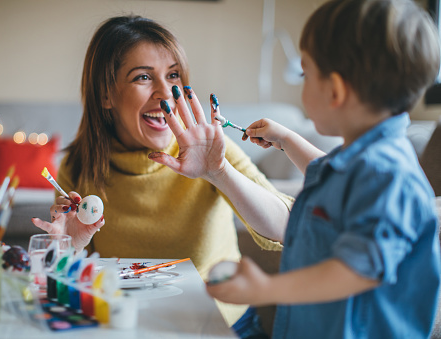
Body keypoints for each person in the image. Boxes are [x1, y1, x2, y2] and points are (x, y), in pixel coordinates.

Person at [149, 0, 441, 338]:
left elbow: (354, 272)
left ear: (335, 91)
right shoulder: (366, 162)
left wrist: (267, 289)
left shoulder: (386, 176)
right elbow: (327, 171)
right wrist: (287, 139)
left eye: (306, 73)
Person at [31, 15, 293, 337]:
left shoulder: (208, 149)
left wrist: (219, 172)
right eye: (143, 77)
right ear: (106, 95)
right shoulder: (79, 165)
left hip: (222, 325)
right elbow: (70, 293)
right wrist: (68, 249)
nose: (165, 92)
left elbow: (286, 228)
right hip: (131, 328)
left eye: (173, 76)